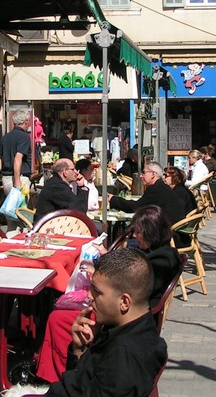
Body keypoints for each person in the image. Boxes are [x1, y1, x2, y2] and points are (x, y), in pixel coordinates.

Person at [35, 205, 180, 384]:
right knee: (60, 315)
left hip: (124, 315)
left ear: (151, 233)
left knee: (58, 319)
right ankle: (53, 373)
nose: (135, 236)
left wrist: (101, 273)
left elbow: (131, 284)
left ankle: (54, 377)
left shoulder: (161, 261)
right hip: (129, 313)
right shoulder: (161, 254)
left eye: (139, 232)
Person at [42, 248, 167, 397]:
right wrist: (80, 350)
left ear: (124, 302)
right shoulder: (138, 328)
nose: (89, 296)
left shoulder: (123, 355)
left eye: (97, 291)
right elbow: (82, 381)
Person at [110, 161, 187, 228]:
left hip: (171, 235)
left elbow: (135, 207)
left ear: (153, 174)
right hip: (174, 230)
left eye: (144, 173)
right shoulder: (162, 187)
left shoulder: (156, 189)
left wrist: (113, 199)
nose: (141, 176)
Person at [0, 109, 33, 198]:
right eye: (28, 121)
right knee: (20, 210)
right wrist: (17, 181)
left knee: (11, 209)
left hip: (6, 179)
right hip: (19, 178)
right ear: (25, 122)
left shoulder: (6, 136)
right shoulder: (24, 137)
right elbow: (18, 158)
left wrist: (5, 170)